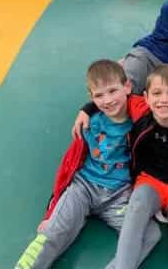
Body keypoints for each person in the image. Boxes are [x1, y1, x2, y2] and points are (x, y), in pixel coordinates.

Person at [14, 60, 160, 269]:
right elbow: (68, 167)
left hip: (119, 196)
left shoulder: (142, 119)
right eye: (99, 95)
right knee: (52, 233)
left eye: (112, 91)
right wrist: (52, 211)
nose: (108, 100)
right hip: (84, 187)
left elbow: (162, 105)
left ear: (127, 87)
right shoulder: (88, 123)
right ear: (91, 98)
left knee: (150, 234)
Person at [73, 64, 168, 269]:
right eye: (157, 93)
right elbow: (114, 98)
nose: (164, 99)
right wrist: (87, 108)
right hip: (149, 183)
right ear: (146, 97)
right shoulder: (140, 110)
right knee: (134, 215)